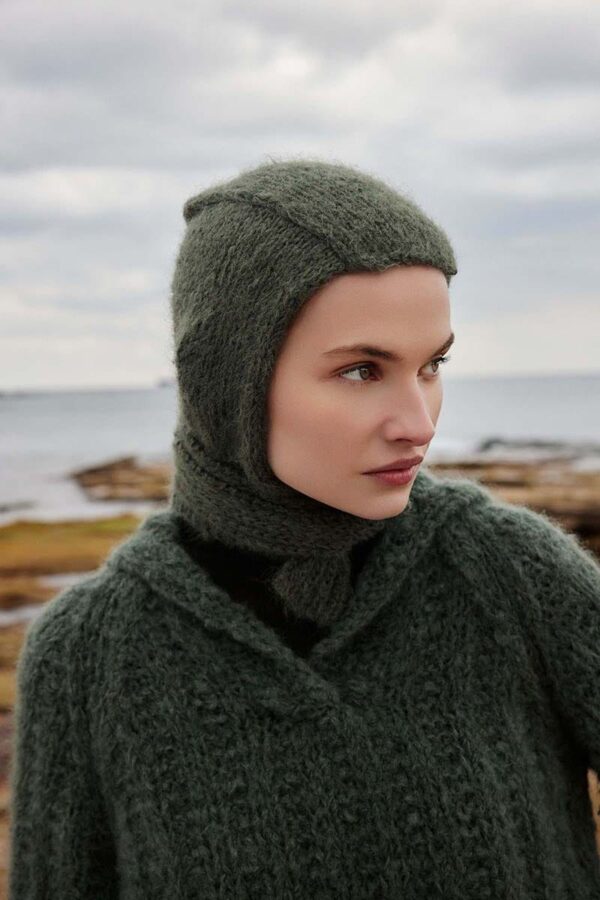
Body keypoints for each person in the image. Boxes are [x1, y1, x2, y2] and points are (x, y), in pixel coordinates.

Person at [8, 157, 600, 899]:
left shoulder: (509, 572)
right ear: (229, 380)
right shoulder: (88, 655)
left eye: (432, 365)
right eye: (362, 370)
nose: (419, 423)